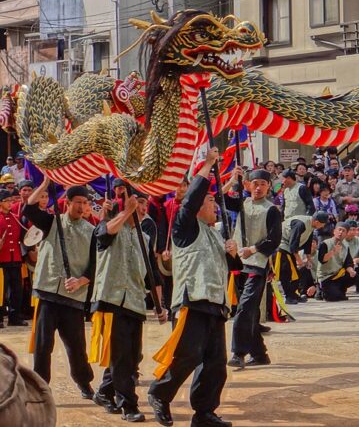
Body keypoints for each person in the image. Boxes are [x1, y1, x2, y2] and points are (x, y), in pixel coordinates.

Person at [147, 148, 242, 427]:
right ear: (200, 206)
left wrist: (233, 253)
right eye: (211, 202)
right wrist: (208, 166)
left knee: (215, 362)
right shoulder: (184, 226)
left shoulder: (214, 234)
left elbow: (231, 268)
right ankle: (159, 393)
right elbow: (189, 201)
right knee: (188, 354)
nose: (215, 207)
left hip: (214, 302)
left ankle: (204, 413)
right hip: (192, 299)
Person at [90, 192, 168, 422]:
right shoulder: (109, 225)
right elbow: (105, 234)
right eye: (139, 204)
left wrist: (159, 305)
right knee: (123, 357)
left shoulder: (144, 237)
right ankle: (128, 405)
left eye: (144, 204)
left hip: (135, 301)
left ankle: (104, 391)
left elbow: (152, 275)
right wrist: (126, 211)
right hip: (113, 300)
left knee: (132, 357)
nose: (143, 209)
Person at [24, 179, 96, 397]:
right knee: (43, 345)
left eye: (85, 202)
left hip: (73, 295)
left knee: (76, 347)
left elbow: (95, 265)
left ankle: (84, 383)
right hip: (48, 292)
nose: (82, 207)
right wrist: (45, 183)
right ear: (67, 203)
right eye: (77, 202)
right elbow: (29, 207)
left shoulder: (92, 231)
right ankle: (40, 387)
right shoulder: (51, 222)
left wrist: (81, 280)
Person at [228, 169, 282, 369]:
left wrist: (253, 249)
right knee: (247, 310)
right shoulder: (242, 204)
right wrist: (233, 179)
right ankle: (259, 354)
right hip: (238, 263)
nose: (258, 187)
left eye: (262, 184)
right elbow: (220, 197)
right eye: (255, 183)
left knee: (245, 308)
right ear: (248, 185)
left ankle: (238, 352)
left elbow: (273, 240)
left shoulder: (272, 210)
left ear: (268, 187)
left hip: (257, 264)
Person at [275, 212, 328, 304]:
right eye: (322, 224)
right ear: (316, 221)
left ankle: (293, 294)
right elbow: (293, 242)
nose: (322, 227)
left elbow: (308, 240)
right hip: (282, 246)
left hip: (290, 248)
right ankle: (288, 297)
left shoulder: (311, 225)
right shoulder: (300, 224)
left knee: (295, 273)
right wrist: (299, 259)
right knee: (286, 273)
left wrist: (308, 257)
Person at [0, 189, 25, 327]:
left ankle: (14, 317)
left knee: (16, 289)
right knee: (1, 290)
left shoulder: (15, 217)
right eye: (7, 201)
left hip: (15, 257)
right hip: (1, 259)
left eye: (11, 201)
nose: (10, 203)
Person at [314, 222, 356, 301]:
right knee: (333, 297)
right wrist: (333, 252)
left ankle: (340, 291)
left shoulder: (346, 246)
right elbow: (322, 259)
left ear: (346, 234)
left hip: (338, 274)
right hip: (326, 276)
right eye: (339, 230)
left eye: (343, 231)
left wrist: (351, 271)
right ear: (334, 231)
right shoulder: (325, 243)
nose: (341, 232)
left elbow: (348, 263)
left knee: (355, 275)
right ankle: (321, 291)